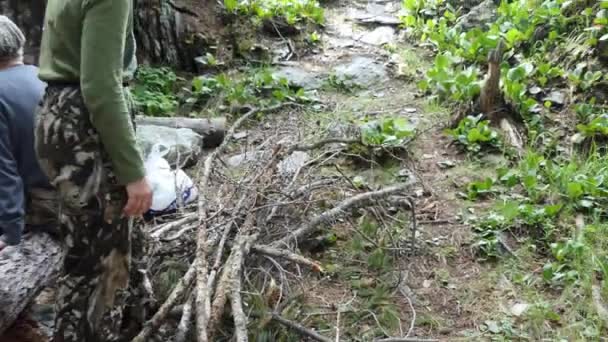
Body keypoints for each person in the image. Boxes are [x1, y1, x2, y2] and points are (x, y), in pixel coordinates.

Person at [35, 1, 153, 341]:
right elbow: (101, 85)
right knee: (102, 270)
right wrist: (133, 172)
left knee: (83, 255)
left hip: (56, 116)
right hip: (85, 125)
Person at [0, 16, 56, 252]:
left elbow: (4, 170)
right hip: (72, 197)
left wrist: (10, 232)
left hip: (38, 208)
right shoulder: (46, 77)